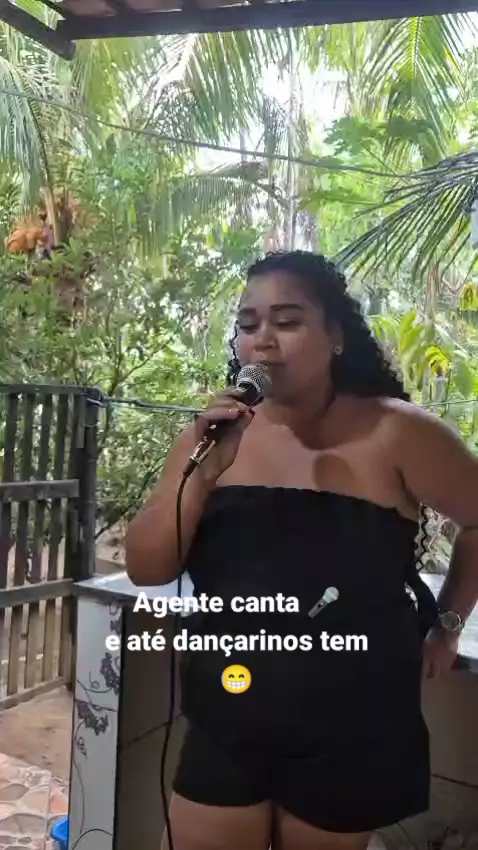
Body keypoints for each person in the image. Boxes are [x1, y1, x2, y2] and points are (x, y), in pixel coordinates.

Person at [125, 250, 478, 850]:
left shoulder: (400, 433)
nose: (262, 339)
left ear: (336, 336)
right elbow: (146, 568)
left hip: (354, 724)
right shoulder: (210, 437)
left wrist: (447, 625)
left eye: (287, 321)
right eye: (248, 323)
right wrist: (202, 476)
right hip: (229, 710)